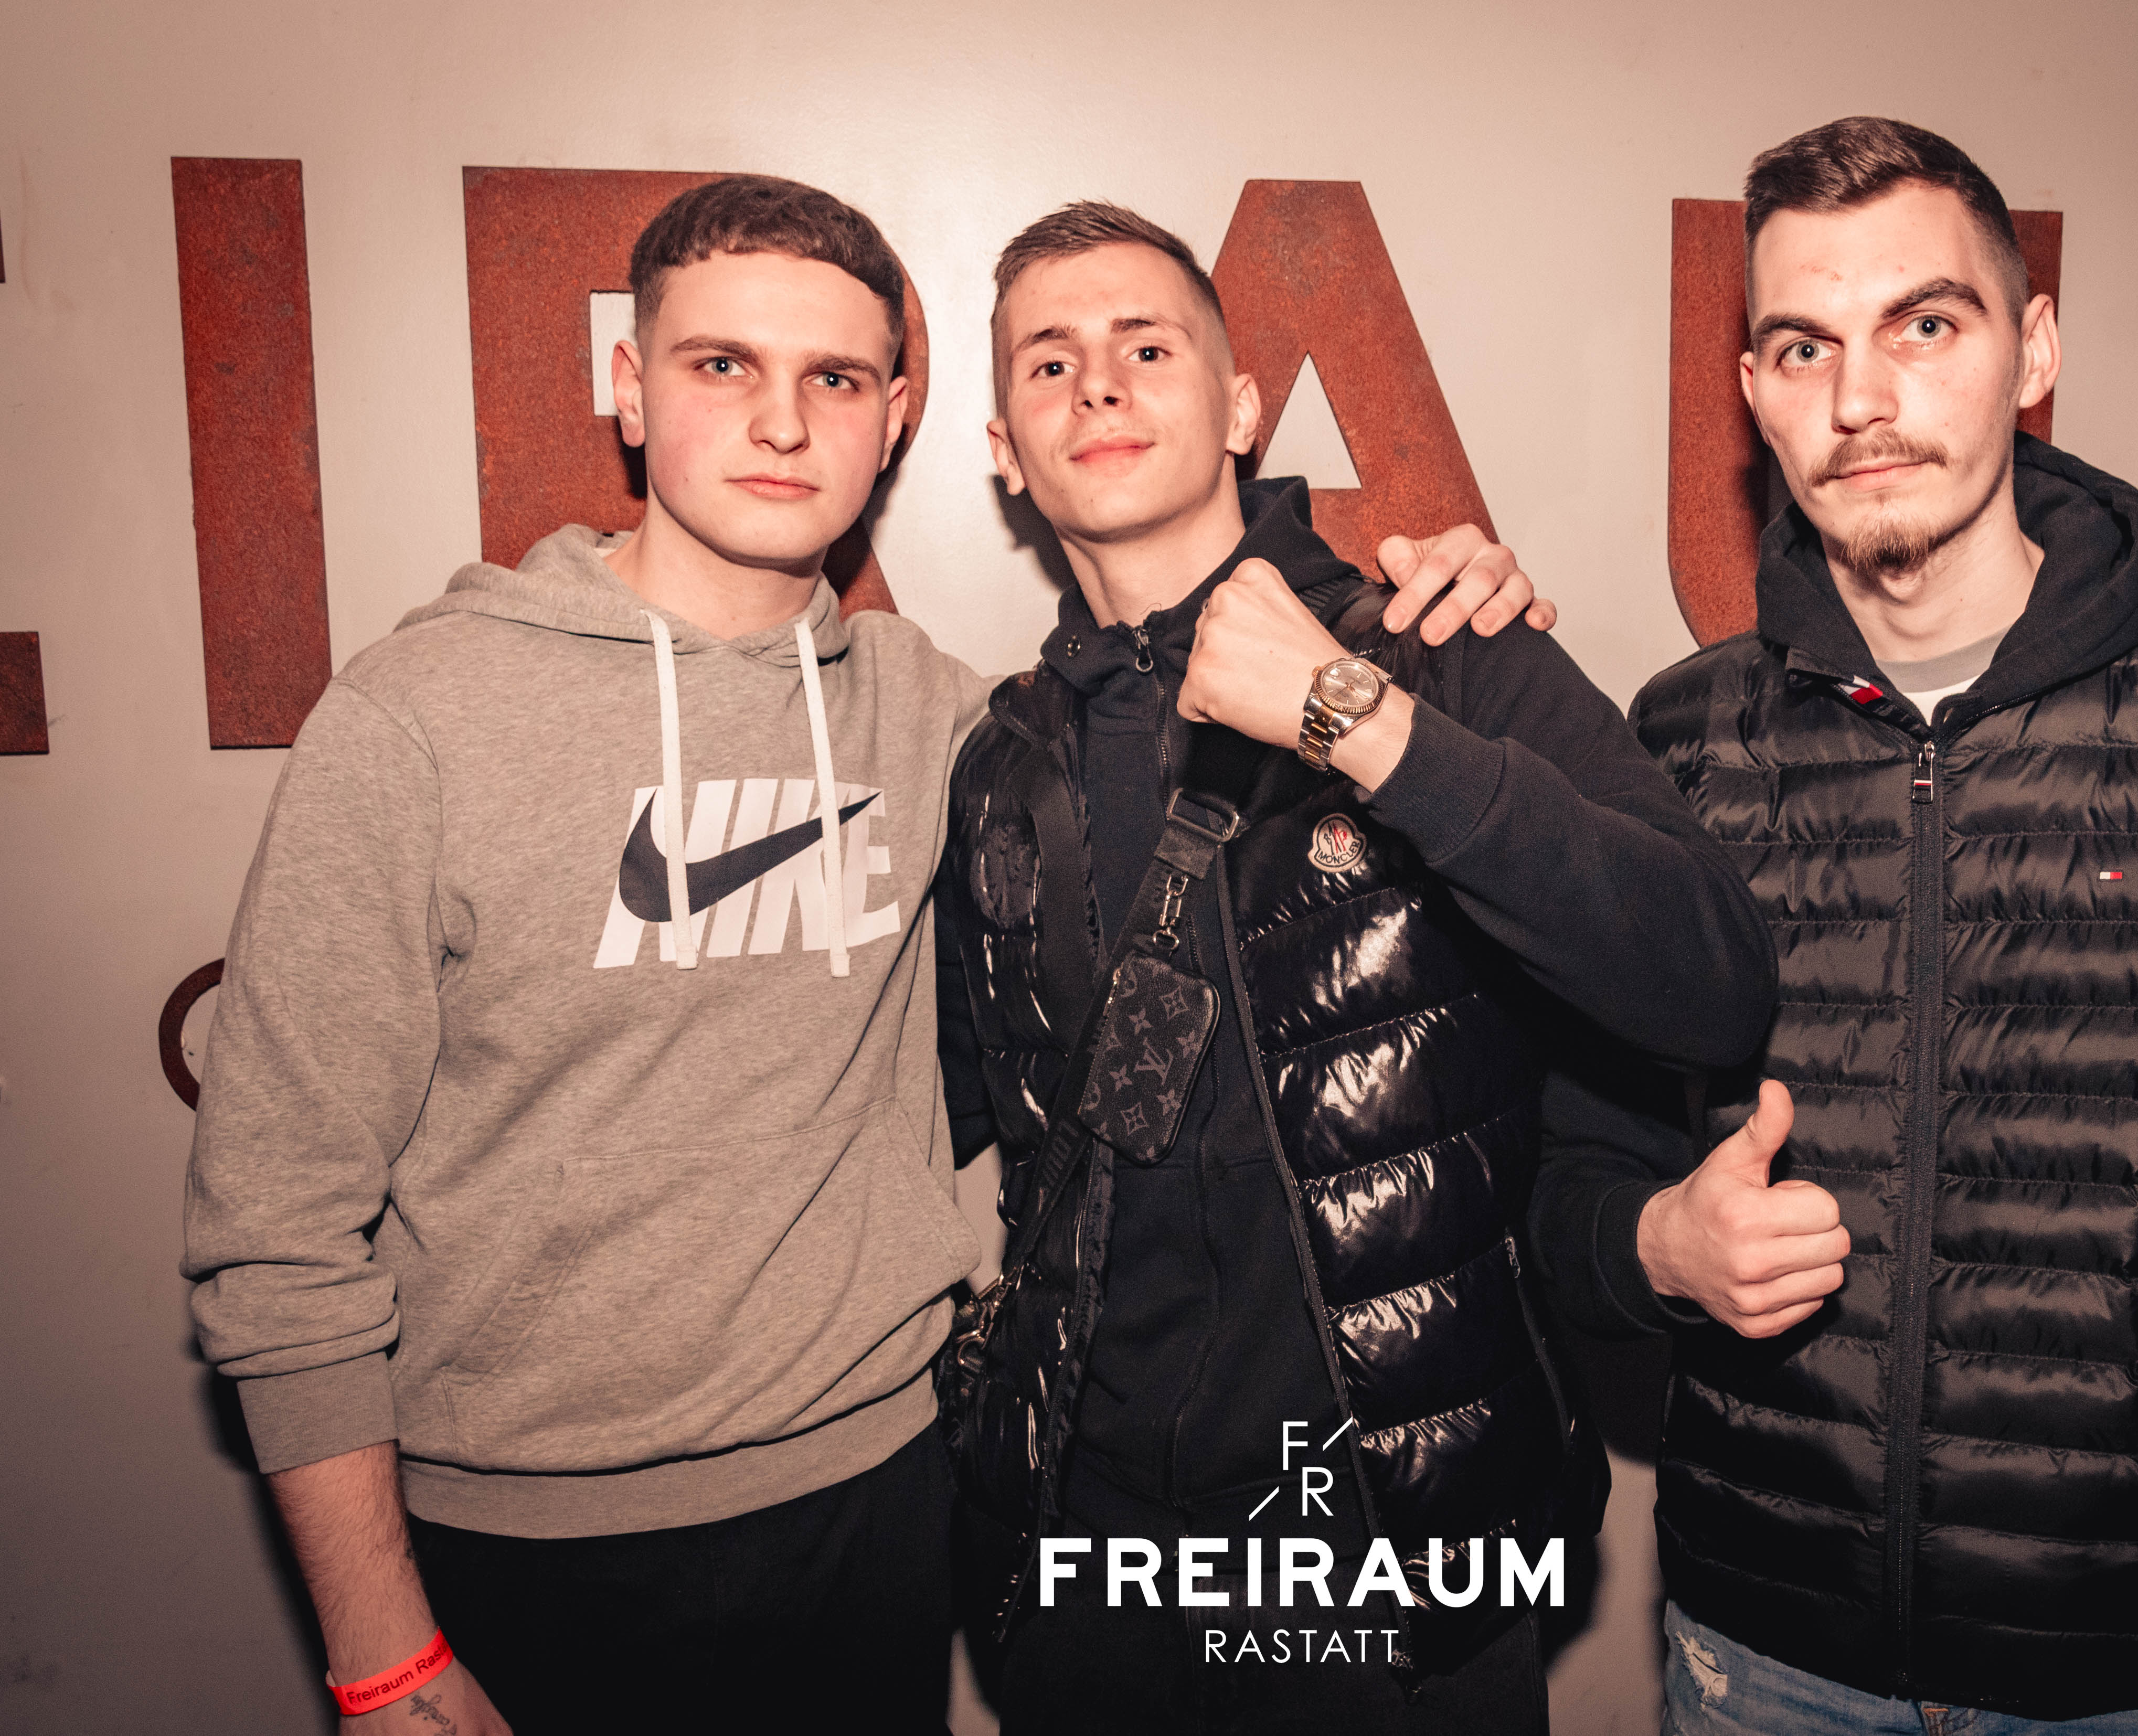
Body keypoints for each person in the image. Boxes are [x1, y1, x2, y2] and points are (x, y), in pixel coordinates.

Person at [179, 174, 1545, 1735]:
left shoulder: (946, 720)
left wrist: (1438, 608)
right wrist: (380, 1649)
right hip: (528, 1541)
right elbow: (277, 1224)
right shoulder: (421, 719)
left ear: (895, 421)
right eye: (721, 365)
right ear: (628, 388)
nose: (780, 424)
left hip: (884, 1500)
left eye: (832, 378)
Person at [1531, 118, 2138, 1735]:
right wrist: (1658, 1245)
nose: (1858, 400)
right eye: (1803, 346)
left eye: (1923, 325)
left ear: (2034, 350)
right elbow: (1572, 1181)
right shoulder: (1677, 745)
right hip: (1765, 1661)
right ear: (1752, 394)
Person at [934, 201, 1778, 1736]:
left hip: (1394, 1559)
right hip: (1087, 1562)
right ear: (1006, 448)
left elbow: (1709, 979)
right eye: (1049, 363)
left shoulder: (1443, 650)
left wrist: (1358, 717)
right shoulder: (1000, 762)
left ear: (1242, 407)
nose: (1098, 384)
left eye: (1145, 347)